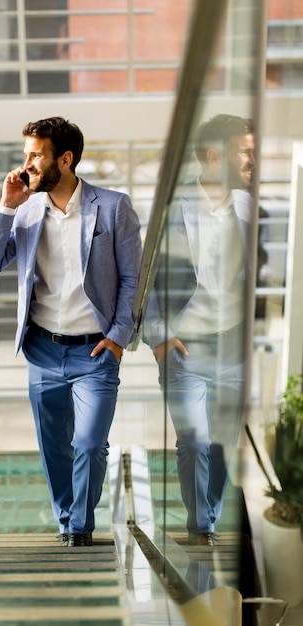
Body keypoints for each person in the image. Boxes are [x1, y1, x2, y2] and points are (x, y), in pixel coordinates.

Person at [0, 116, 142, 547]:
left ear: (64, 160)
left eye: (36, 156)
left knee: (88, 444)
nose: (26, 164)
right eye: (26, 154)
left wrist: (118, 339)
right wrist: (6, 205)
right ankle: (68, 521)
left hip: (95, 353)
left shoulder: (112, 206)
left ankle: (81, 526)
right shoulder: (27, 208)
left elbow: (133, 280)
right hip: (43, 350)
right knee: (55, 449)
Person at [143, 114, 256, 546]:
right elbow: (146, 277)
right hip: (185, 350)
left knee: (224, 445)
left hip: (233, 351)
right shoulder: (171, 209)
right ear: (215, 156)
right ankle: (201, 528)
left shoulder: (249, 207)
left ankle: (207, 512)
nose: (252, 159)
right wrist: (158, 337)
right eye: (244, 151)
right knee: (194, 443)